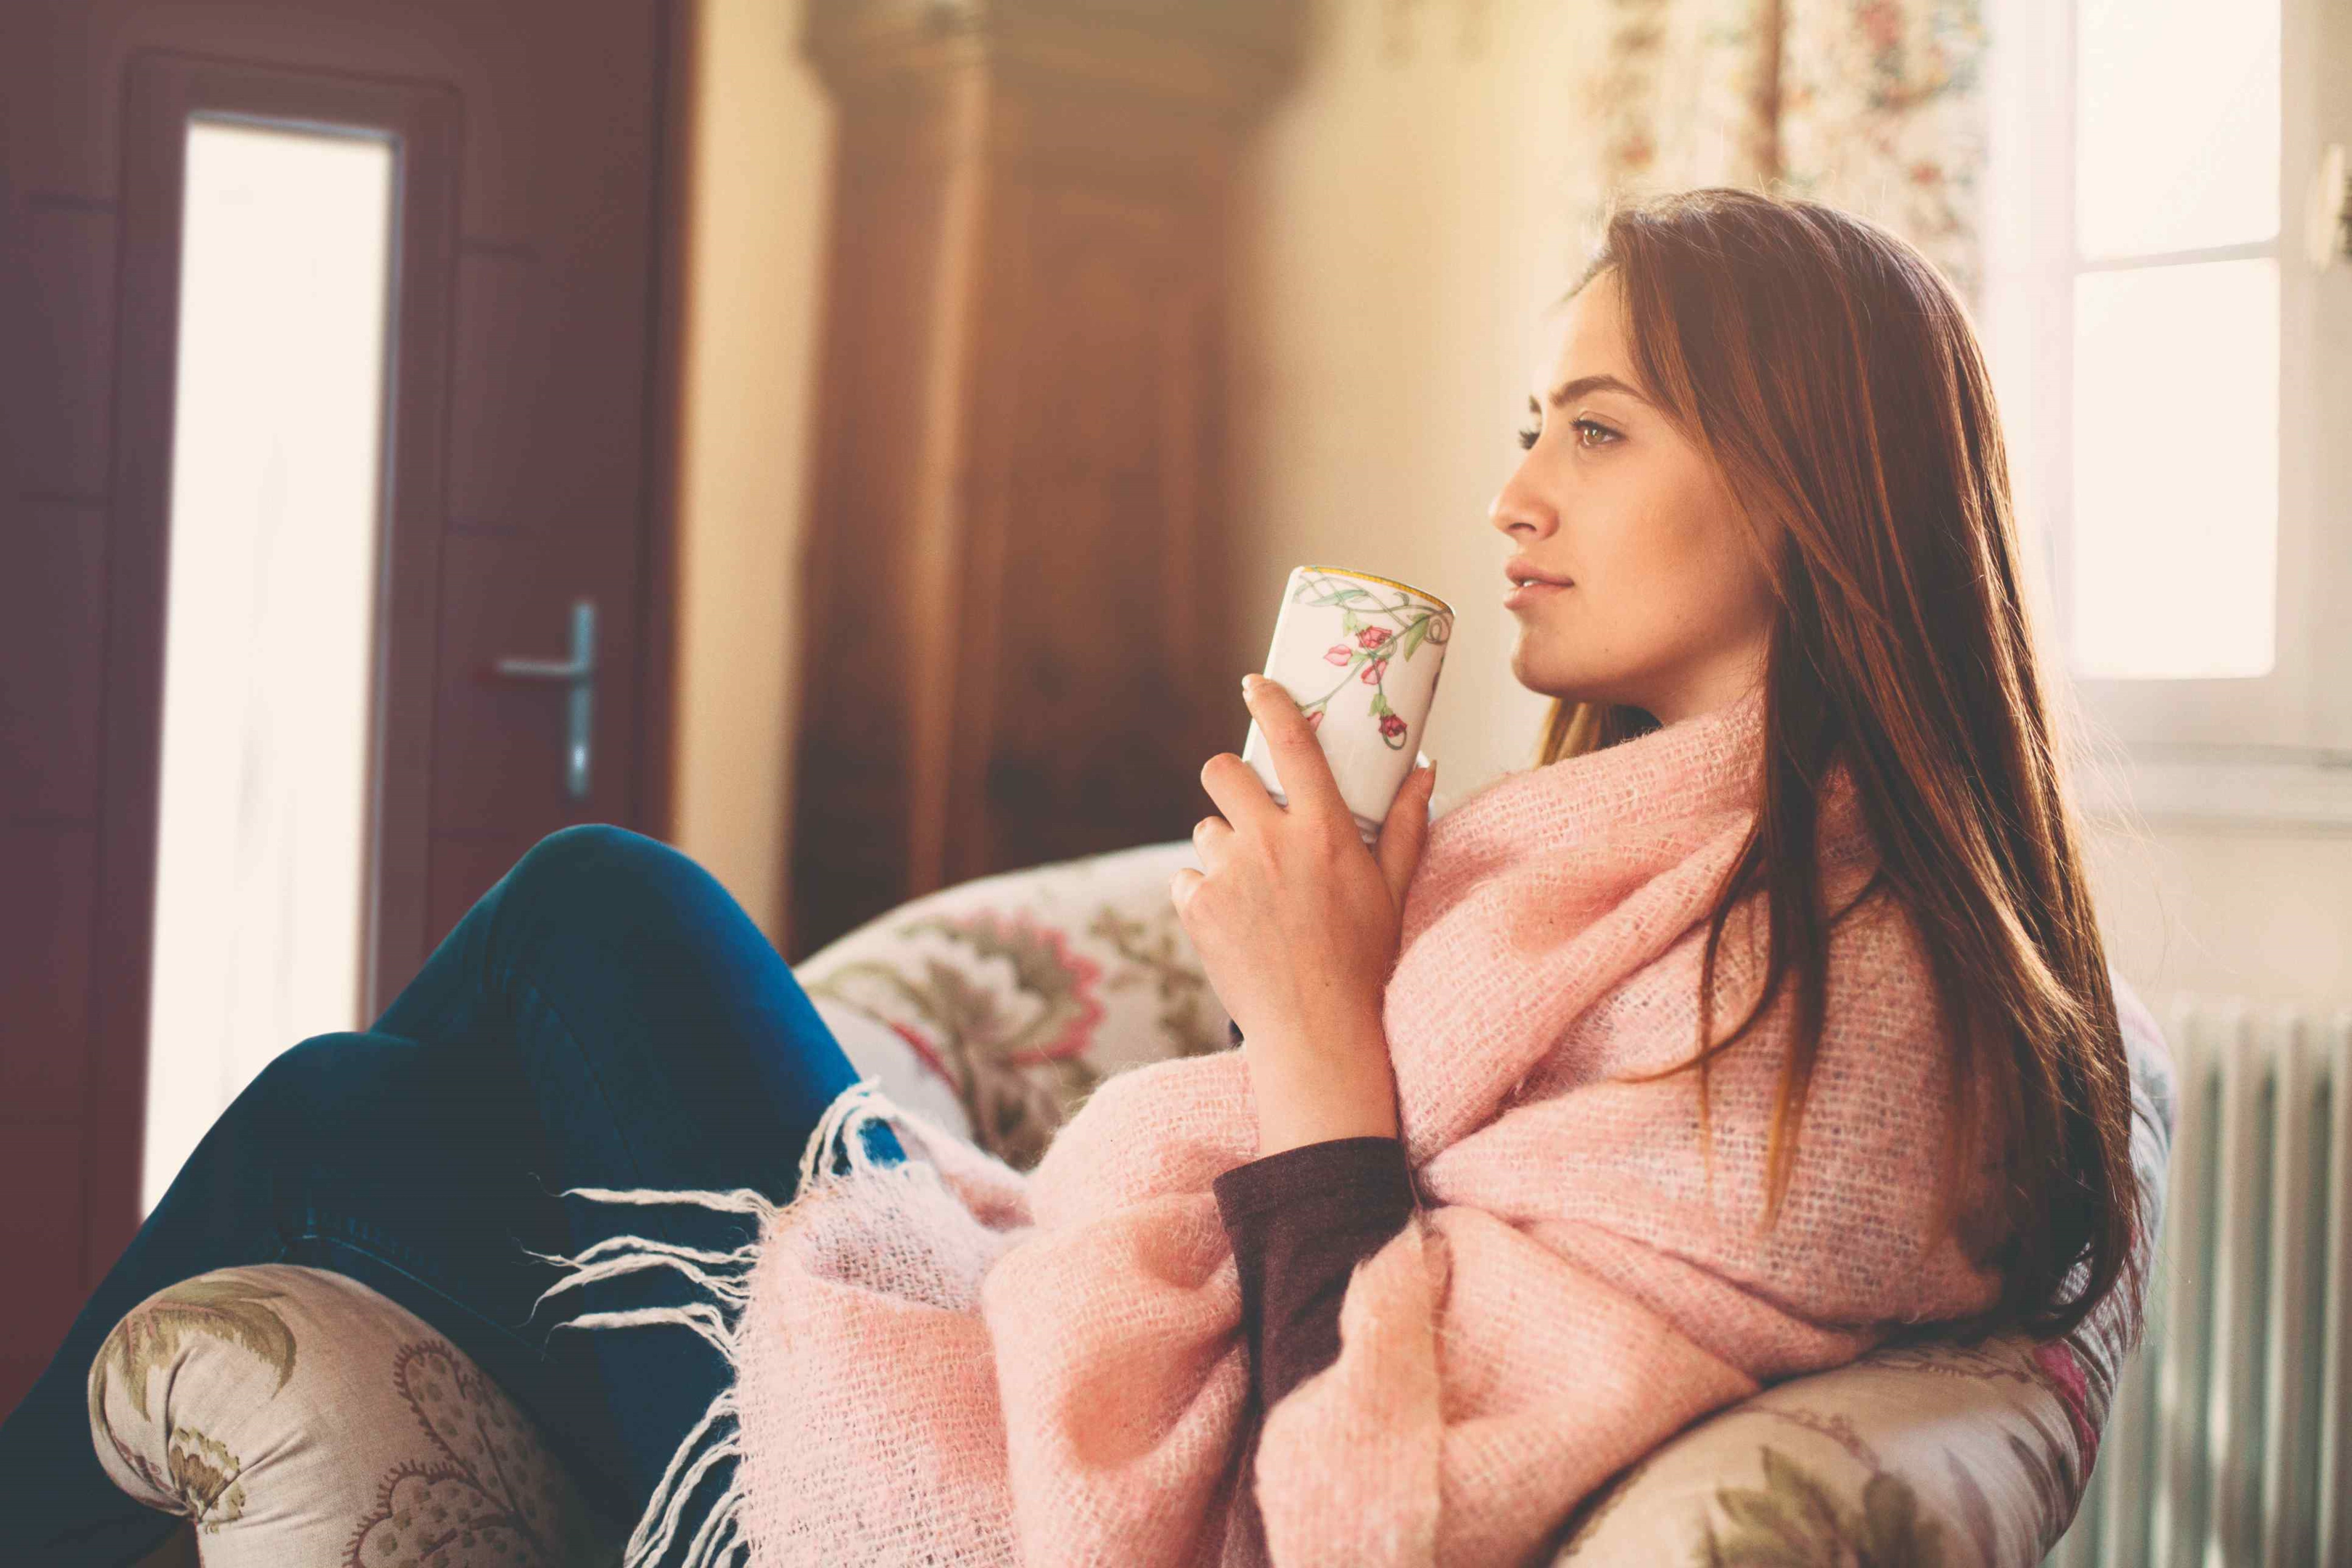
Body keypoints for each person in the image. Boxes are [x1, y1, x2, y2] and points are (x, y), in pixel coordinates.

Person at [0, 185, 2144, 1565]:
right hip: (1065, 1415)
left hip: (1030, 1529)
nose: (1512, 496)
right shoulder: (1695, 870)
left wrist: (1317, 1019)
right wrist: (1328, 970)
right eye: (1528, 423)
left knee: (600, 908)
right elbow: (1369, 1237)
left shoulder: (1854, 1018)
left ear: (1808, 487)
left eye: (1595, 430)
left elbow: (1364, 1514)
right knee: (336, 1113)